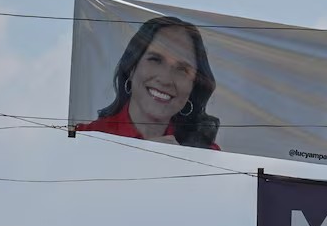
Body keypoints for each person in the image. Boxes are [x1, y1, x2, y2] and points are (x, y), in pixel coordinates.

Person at [77, 16, 221, 149]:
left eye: (182, 69)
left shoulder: (206, 154)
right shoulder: (84, 138)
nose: (165, 79)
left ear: (193, 86)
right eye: (155, 59)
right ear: (132, 67)